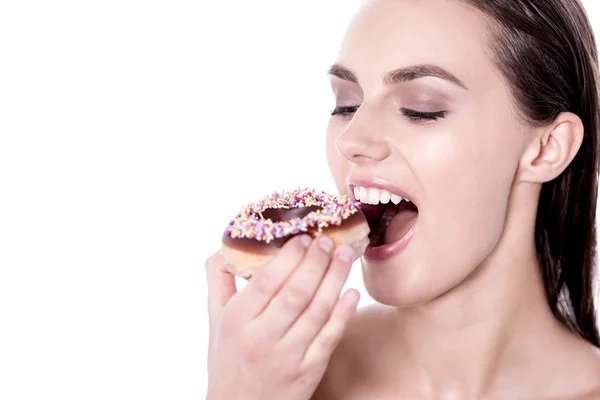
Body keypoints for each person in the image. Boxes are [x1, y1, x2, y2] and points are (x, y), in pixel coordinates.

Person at [205, 0, 600, 398]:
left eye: (420, 109)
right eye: (346, 105)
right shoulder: (282, 376)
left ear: (548, 147)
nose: (351, 141)